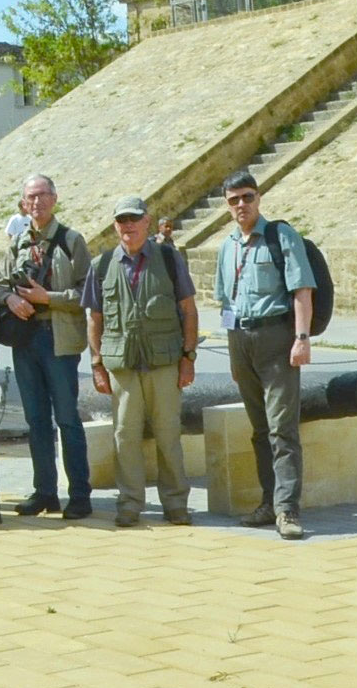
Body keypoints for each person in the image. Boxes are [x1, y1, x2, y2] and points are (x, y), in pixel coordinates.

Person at [84, 196, 200, 527]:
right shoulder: (102, 265)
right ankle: (130, 502)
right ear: (115, 226)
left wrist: (188, 357)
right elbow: (94, 318)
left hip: (163, 362)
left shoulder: (167, 258)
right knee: (125, 435)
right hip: (123, 364)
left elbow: (189, 310)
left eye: (134, 218)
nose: (128, 225)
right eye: (122, 220)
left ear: (147, 221)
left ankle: (176, 503)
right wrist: (96, 364)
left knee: (168, 435)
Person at [214, 169, 317, 540]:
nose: (242, 205)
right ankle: (268, 501)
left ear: (258, 198)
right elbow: (225, 302)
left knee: (281, 429)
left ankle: (287, 510)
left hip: (276, 336)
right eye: (234, 200)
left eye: (247, 197)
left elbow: (302, 290)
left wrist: (301, 338)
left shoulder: (280, 236)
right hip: (241, 338)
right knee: (259, 430)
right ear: (226, 206)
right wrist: (232, 353)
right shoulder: (227, 245)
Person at [0, 174, 92, 519]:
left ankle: (79, 493)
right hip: (25, 339)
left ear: (54, 198)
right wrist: (10, 299)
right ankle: (44, 491)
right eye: (30, 198)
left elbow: (86, 293)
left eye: (42, 196)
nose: (36, 203)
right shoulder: (18, 243)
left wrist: (45, 298)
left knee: (67, 419)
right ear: (23, 204)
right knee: (36, 420)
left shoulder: (71, 241)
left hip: (59, 338)